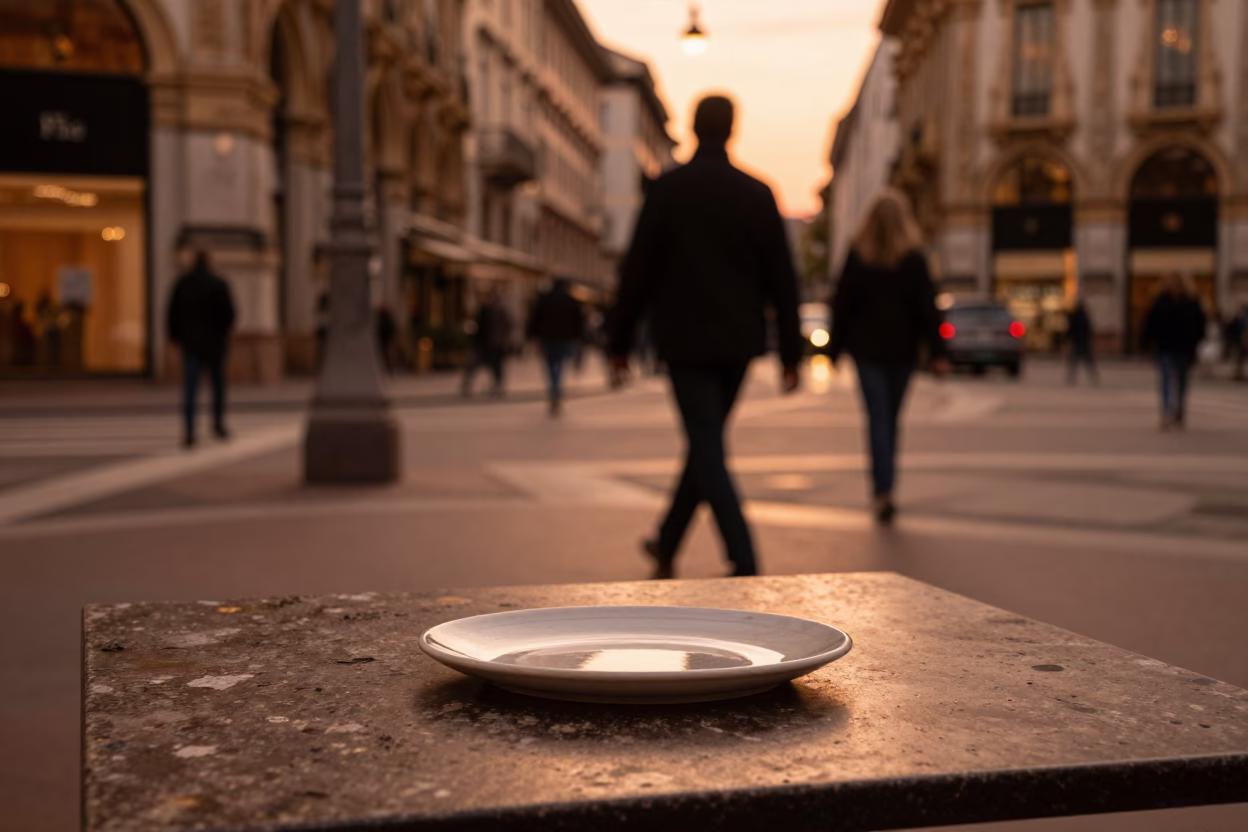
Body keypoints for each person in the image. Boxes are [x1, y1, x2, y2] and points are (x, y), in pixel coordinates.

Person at [608, 94, 802, 580]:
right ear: (732, 130)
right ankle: (668, 539)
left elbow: (637, 271)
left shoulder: (668, 190)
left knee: (706, 443)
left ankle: (744, 556)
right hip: (737, 340)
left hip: (683, 339)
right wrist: (791, 353)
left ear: (694, 128)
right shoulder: (758, 193)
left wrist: (620, 341)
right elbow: (784, 278)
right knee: (706, 442)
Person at [827, 189, 948, 525]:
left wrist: (834, 350)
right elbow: (928, 309)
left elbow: (842, 305)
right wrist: (937, 353)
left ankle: (882, 489)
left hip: (867, 351)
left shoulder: (858, 255)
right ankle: (887, 486)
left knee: (877, 419)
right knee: (891, 421)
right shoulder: (914, 259)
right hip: (902, 351)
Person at [167, 250, 236, 448]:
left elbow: (172, 313)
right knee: (217, 387)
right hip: (215, 344)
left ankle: (189, 430)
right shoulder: (218, 284)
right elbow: (229, 314)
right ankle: (218, 424)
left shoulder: (183, 284)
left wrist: (175, 338)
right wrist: (223, 333)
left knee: (190, 389)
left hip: (191, 344)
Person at [1142, 273, 1206, 431]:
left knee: (1182, 382)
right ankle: (1166, 412)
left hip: (1185, 348)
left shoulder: (1191, 302)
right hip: (1165, 347)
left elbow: (1200, 324)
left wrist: (1196, 341)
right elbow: (1150, 323)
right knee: (1165, 380)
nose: (1174, 285)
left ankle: (1179, 412)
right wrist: (1147, 343)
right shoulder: (1160, 301)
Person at [527, 277, 586, 416]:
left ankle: (553, 388)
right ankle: (556, 389)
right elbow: (578, 321)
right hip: (565, 338)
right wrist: (578, 337)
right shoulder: (571, 300)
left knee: (549, 364)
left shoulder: (545, 298)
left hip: (547, 338)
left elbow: (535, 318)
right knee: (559, 363)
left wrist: (531, 335)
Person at [461, 287, 512, 397]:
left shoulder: (489, 310)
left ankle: (495, 386)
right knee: (492, 366)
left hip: (491, 344)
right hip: (491, 344)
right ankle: (496, 386)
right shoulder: (494, 310)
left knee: (487, 365)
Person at [1065, 299, 1098, 385]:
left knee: (1074, 361)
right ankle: (1093, 376)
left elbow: (1071, 329)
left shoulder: (1075, 317)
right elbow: (1089, 329)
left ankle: (1071, 377)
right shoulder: (1085, 317)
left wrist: (1067, 339)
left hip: (1077, 341)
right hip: (1084, 341)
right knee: (1088, 360)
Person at [1227, 304, 1248, 381]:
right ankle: (1239, 373)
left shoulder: (1242, 320)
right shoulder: (1238, 320)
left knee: (1240, 359)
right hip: (1238, 341)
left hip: (1239, 341)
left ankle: (1239, 373)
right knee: (1239, 359)